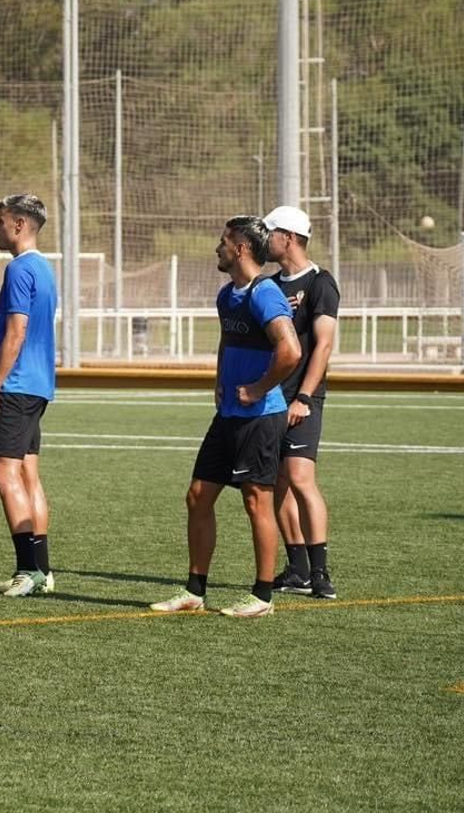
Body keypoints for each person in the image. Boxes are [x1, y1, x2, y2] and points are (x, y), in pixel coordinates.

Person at [152, 216, 301, 620]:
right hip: (228, 415)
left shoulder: (264, 293)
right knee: (198, 496)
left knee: (257, 502)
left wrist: (257, 388)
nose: (217, 248)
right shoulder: (225, 295)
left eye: (223, 242)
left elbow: (290, 351)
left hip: (260, 417)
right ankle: (194, 590)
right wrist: (220, 381)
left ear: (241, 249)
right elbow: (226, 341)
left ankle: (263, 596)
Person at [0, 194, 58, 598]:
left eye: (1, 220)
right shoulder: (44, 269)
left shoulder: (20, 270)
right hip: (38, 385)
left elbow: (17, 331)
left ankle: (27, 570)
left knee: (3, 473)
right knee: (27, 474)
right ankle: (41, 570)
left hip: (16, 386)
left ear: (20, 224)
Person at [263, 205, 340, 600]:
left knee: (300, 478)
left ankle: (321, 572)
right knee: (277, 484)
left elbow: (323, 345)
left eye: (270, 232)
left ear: (288, 237)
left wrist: (305, 397)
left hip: (302, 398)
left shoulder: (321, 283)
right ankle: (298, 570)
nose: (266, 239)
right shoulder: (270, 285)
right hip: (271, 399)